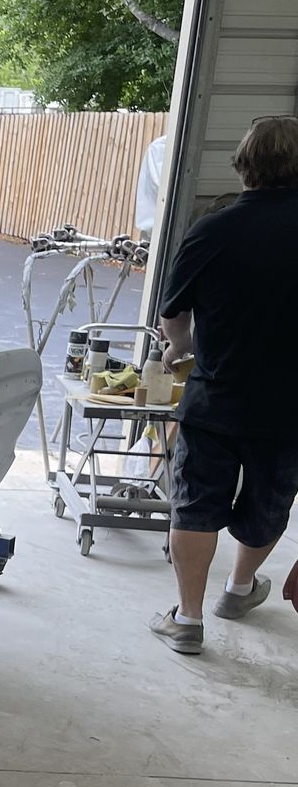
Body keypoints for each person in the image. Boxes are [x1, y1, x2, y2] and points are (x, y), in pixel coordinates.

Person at [150, 115, 298, 654]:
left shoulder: (215, 228)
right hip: (288, 410)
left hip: (216, 399)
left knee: (196, 505)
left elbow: (173, 312)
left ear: (244, 165)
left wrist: (179, 347)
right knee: (269, 505)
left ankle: (187, 621)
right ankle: (238, 591)